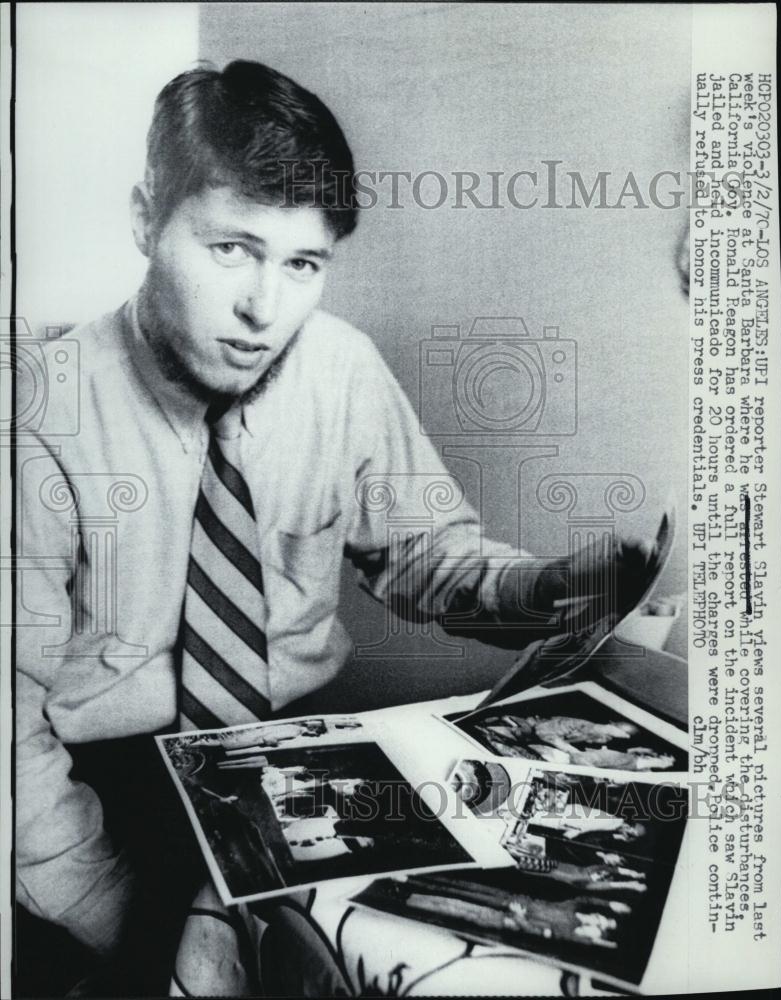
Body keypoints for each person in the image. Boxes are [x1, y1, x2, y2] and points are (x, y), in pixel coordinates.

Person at [15, 60, 658, 993]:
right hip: (109, 783)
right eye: (230, 248)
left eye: (302, 264)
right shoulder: (40, 415)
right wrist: (117, 911)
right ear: (145, 220)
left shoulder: (341, 368)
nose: (262, 310)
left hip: (309, 747)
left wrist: (546, 590)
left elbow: (424, 557)